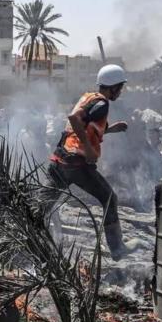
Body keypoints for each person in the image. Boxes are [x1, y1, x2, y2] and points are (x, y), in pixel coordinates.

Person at [49, 64, 139, 260]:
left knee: (43, 204)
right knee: (109, 198)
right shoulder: (101, 103)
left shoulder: (89, 98)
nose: (121, 91)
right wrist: (89, 149)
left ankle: (28, 236)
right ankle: (117, 249)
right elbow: (73, 119)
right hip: (77, 164)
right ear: (112, 86)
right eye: (120, 87)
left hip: (60, 159)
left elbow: (87, 128)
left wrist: (111, 129)